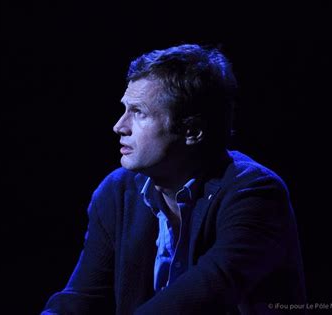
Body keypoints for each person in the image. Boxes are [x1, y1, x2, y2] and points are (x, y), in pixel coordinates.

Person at [41, 43, 306, 314]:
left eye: (139, 113)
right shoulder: (116, 192)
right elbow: (81, 298)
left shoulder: (254, 192)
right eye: (124, 109)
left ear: (192, 131)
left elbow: (208, 290)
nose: (119, 126)